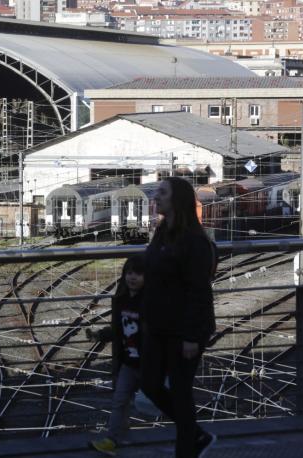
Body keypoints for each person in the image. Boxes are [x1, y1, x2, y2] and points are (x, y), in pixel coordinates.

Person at [141, 177, 217, 458]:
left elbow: (198, 291)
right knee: (149, 384)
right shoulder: (163, 231)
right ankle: (195, 433)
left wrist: (191, 337)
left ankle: (187, 448)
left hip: (182, 331)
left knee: (182, 394)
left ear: (177, 200)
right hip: (159, 327)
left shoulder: (194, 241)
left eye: (162, 192)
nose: (155, 196)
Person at [87, 254, 145, 456]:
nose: (132, 277)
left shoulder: (150, 303)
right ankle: (111, 439)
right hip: (128, 363)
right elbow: (117, 329)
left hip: (148, 364)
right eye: (129, 273)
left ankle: (187, 432)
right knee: (119, 400)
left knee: (161, 401)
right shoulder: (121, 301)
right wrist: (100, 335)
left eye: (138, 273)